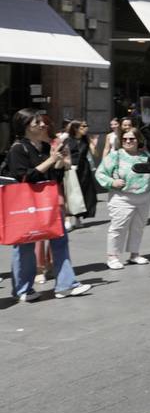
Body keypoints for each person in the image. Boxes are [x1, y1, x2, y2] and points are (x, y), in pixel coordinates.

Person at [5, 109, 91, 301]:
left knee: (60, 240)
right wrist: (52, 160)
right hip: (26, 206)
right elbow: (25, 176)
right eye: (37, 123)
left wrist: (61, 163)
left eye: (42, 122)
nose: (43, 125)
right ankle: (23, 290)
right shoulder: (18, 148)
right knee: (25, 247)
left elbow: (53, 178)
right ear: (25, 127)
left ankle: (65, 285)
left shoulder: (45, 147)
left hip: (48, 202)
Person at [96, 126, 150, 267]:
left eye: (131, 138)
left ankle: (134, 254)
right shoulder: (115, 155)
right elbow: (100, 173)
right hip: (122, 198)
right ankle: (112, 257)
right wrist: (112, 182)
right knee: (118, 227)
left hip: (143, 197)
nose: (128, 141)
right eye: (125, 139)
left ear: (138, 140)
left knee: (138, 227)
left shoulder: (146, 156)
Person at [63, 120, 98, 229]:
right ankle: (67, 218)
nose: (86, 128)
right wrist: (68, 165)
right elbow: (63, 154)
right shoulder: (67, 140)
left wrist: (94, 145)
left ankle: (78, 218)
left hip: (84, 169)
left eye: (87, 126)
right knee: (70, 193)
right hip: (70, 168)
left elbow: (95, 154)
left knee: (83, 192)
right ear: (76, 128)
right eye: (83, 126)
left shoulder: (86, 139)